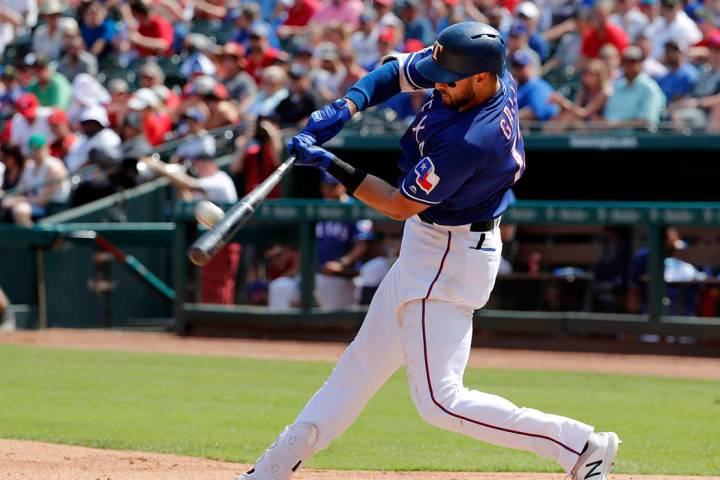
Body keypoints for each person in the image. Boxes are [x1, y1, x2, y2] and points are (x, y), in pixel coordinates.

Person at [237, 21, 620, 480]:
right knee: (359, 365)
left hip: (451, 252)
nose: (438, 83)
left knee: (441, 401)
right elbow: (395, 72)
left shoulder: (473, 139)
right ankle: (273, 468)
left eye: (448, 79)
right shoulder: (478, 70)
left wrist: (331, 165)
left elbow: (400, 204)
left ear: (482, 79)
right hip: (434, 239)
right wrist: (346, 106)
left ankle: (581, 446)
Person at [2, 135, 69, 226]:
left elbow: (43, 200)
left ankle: (31, 239)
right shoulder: (29, 166)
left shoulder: (54, 168)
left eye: (39, 148)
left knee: (20, 210)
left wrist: (16, 200)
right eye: (33, 148)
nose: (36, 151)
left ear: (46, 148)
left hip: (54, 207)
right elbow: (19, 190)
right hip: (35, 203)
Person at [603, 46, 666, 128]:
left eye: (632, 62)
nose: (628, 66)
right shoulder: (617, 86)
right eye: (625, 62)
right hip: (612, 137)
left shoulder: (650, 88)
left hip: (641, 138)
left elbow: (646, 121)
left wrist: (617, 124)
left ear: (641, 64)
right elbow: (609, 117)